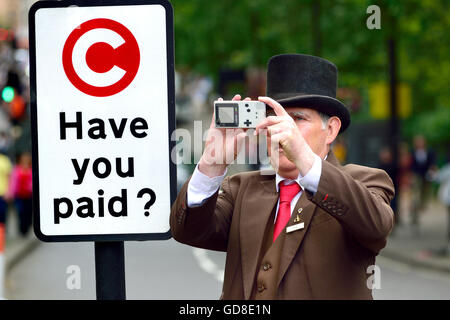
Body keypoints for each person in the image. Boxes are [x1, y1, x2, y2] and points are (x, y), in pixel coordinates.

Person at [170, 54, 395, 299]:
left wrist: (304, 158)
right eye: (274, 119)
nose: (281, 130)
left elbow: (376, 226)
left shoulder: (364, 181)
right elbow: (188, 231)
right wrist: (211, 164)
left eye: (297, 119)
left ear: (330, 130)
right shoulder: (241, 189)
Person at [8, 151, 33, 237]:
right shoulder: (16, 169)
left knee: (28, 212)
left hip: (29, 195)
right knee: (20, 212)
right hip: (19, 195)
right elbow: (13, 182)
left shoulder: (31, 169)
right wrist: (11, 192)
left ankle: (27, 227)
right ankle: (22, 230)